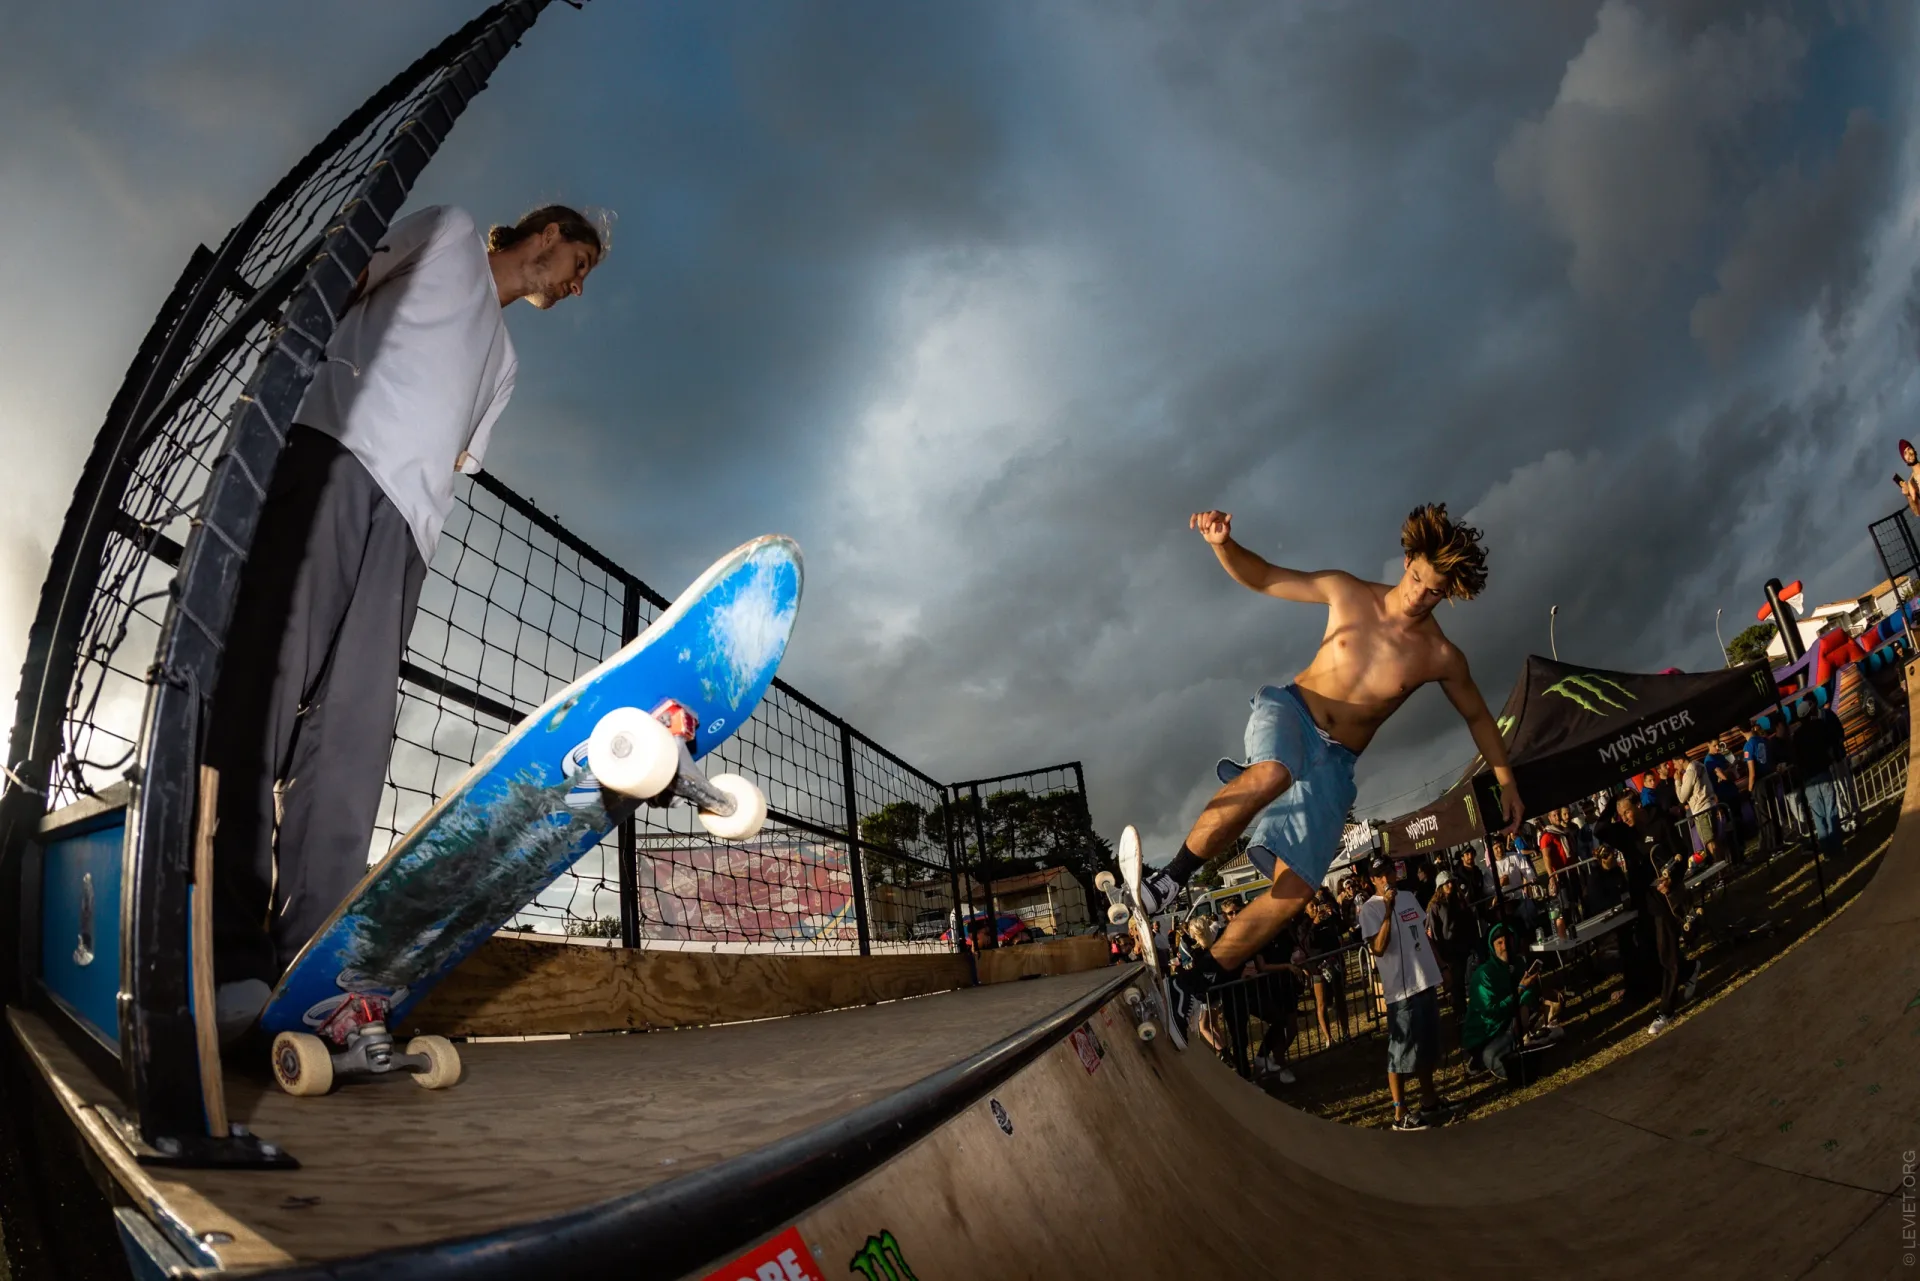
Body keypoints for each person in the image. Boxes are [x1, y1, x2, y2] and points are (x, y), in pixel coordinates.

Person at [207, 203, 605, 1039]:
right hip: (337, 454)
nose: (577, 284)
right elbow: (345, 282)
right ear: (546, 232)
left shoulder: (504, 362)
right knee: (267, 687)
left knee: (351, 740)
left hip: (410, 528)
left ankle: (307, 959)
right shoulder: (454, 230)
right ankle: (227, 950)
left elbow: (459, 457)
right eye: (580, 261)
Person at [1128, 505, 1524, 1049]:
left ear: (1446, 593)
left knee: (1295, 892)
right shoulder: (1347, 592)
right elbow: (1265, 575)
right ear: (1407, 560)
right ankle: (1166, 881)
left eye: (1433, 592)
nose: (1417, 597)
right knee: (1273, 772)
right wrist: (1223, 544)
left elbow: (1478, 716)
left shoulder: (1440, 656)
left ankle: (1194, 983)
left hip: (1338, 763)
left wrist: (1506, 782)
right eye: (1415, 580)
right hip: (1292, 713)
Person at [1358, 856, 1451, 1130]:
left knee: (1428, 1048)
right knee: (1399, 1055)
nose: (1385, 878)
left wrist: (1442, 965)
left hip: (1425, 981)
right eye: (1379, 875)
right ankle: (1399, 1114)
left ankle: (1429, 1100)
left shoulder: (1410, 897)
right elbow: (1378, 948)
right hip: (1401, 991)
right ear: (1372, 880)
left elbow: (1423, 937)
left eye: (1388, 872)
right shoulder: (1369, 910)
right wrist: (1388, 911)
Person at [1460, 923, 1546, 1084]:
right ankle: (1482, 1059)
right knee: (1492, 1056)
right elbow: (1491, 1011)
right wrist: (1520, 990)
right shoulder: (1484, 974)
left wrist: (1524, 1007)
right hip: (1486, 1033)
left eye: (1507, 941)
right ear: (1492, 948)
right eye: (1499, 943)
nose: (1504, 946)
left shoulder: (1518, 963)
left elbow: (1529, 990)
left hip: (1510, 1021)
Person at [1789, 703, 1849, 861]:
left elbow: (1795, 760)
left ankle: (1827, 851)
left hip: (1809, 780)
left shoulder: (1796, 737)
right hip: (1823, 772)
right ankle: (1837, 846)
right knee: (1831, 810)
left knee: (1818, 816)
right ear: (1810, 713)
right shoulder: (1819, 726)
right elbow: (1830, 742)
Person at [1424, 869, 1477, 1031]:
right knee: (1456, 987)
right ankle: (1461, 1018)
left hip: (1465, 947)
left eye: (1451, 882)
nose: (1450, 885)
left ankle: (1473, 1015)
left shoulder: (1459, 900)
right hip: (1449, 953)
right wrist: (1441, 958)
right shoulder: (1435, 906)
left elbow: (1470, 921)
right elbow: (1433, 933)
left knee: (1470, 982)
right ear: (1440, 886)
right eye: (1446, 883)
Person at [1895, 439, 1920, 518]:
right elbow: (1917, 512)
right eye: (1905, 453)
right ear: (1904, 459)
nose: (1908, 454)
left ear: (1913, 449)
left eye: (1909, 449)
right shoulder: (1911, 482)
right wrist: (1907, 495)